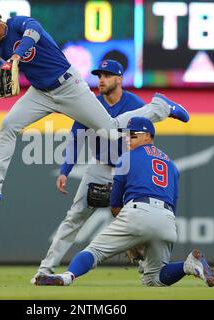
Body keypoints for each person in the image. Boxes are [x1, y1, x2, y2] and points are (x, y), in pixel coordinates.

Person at [0, 9, 189, 202]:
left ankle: (161, 107)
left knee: (111, 131)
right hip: (41, 93)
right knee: (9, 124)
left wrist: (16, 57)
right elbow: (27, 69)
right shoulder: (2, 49)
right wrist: (11, 67)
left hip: (68, 86)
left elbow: (35, 31)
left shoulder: (17, 23)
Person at [35, 117, 214, 288]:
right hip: (168, 220)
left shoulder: (126, 158)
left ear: (148, 136)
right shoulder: (171, 165)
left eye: (133, 135)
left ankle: (66, 277)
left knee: (95, 252)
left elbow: (115, 203)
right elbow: (174, 204)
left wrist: (133, 238)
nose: (128, 138)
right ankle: (188, 265)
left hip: (137, 212)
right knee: (153, 279)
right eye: (126, 134)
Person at [30, 59, 146, 283]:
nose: (101, 79)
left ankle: (147, 269)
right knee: (73, 218)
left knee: (140, 221)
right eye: (99, 75)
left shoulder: (135, 104)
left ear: (119, 79)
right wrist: (65, 170)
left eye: (107, 75)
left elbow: (146, 136)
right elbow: (76, 139)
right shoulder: (90, 103)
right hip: (100, 167)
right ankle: (45, 268)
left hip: (128, 169)